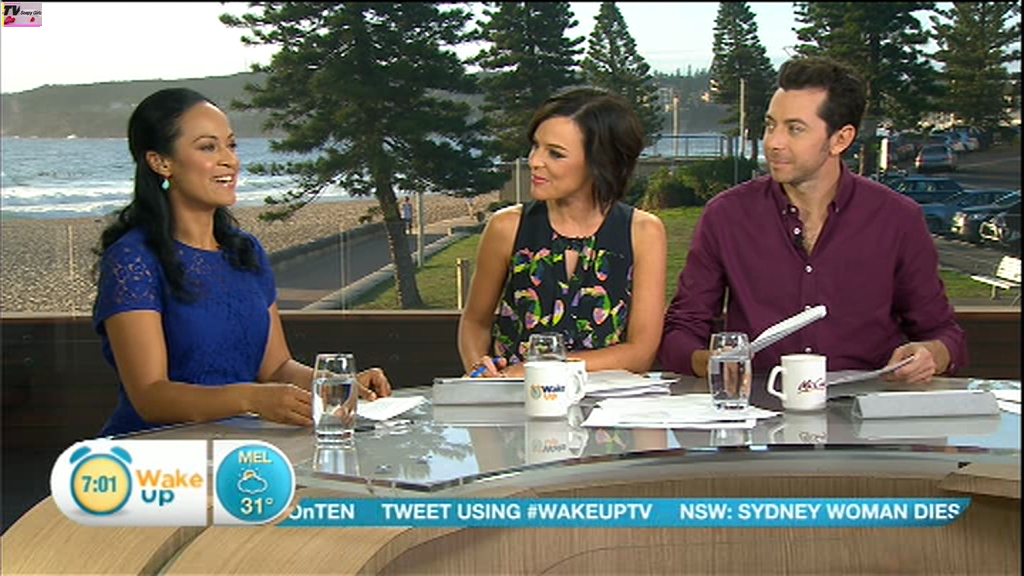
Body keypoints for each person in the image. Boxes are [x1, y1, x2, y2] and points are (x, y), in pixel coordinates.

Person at [92, 88, 392, 437]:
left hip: (238, 448)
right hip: (156, 455)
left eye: (231, 145)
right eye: (208, 147)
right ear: (161, 162)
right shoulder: (133, 260)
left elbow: (276, 368)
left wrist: (339, 385)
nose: (230, 161)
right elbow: (150, 396)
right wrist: (251, 398)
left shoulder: (245, 251)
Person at [659, 56, 968, 384]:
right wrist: (709, 362)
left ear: (840, 139)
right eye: (771, 125)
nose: (773, 142)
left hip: (867, 406)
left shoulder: (897, 219)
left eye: (795, 129)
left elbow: (944, 335)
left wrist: (930, 354)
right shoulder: (726, 216)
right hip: (759, 405)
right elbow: (681, 332)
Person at [458, 86, 667, 377]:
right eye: (535, 146)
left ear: (599, 163)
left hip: (607, 402)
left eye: (555, 154)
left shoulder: (643, 232)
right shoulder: (507, 227)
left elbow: (640, 352)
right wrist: (481, 370)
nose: (534, 161)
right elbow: (475, 323)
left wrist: (543, 370)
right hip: (515, 397)